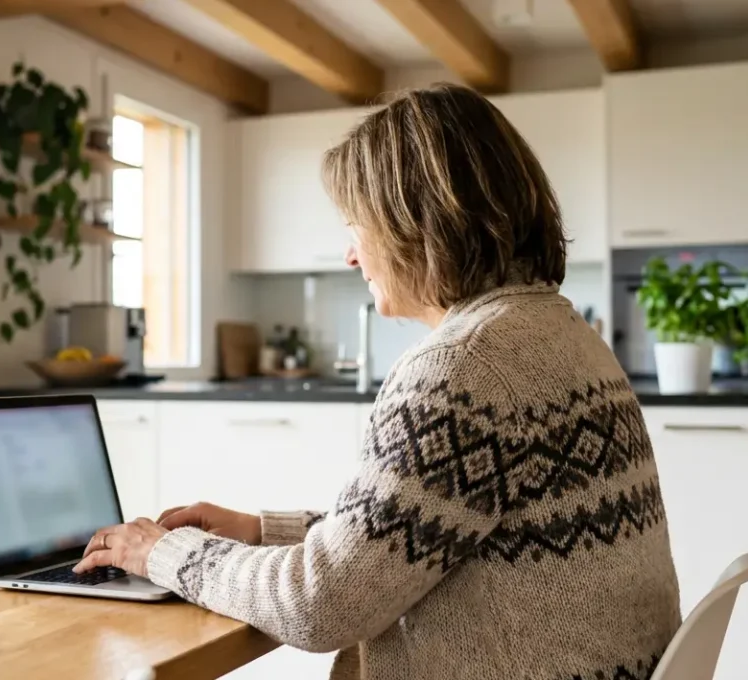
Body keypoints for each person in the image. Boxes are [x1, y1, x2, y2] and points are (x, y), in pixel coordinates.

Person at [74, 83, 682, 679]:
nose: (350, 255)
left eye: (356, 225)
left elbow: (321, 606)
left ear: (418, 222)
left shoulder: (462, 368)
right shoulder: (556, 330)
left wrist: (158, 552)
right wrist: (264, 532)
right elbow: (424, 534)